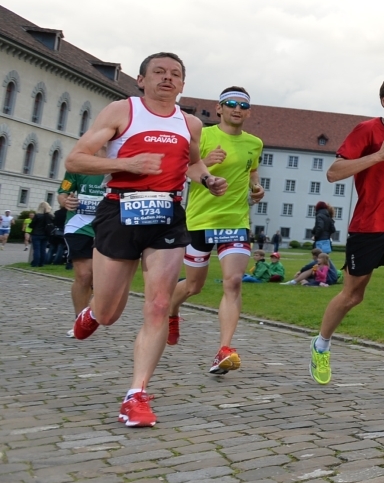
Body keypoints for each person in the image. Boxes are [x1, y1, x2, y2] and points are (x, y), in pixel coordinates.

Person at [65, 52, 227, 428]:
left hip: (166, 216)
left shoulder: (189, 123)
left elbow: (191, 163)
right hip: (119, 211)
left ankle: (135, 395)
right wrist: (127, 165)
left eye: (175, 74)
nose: (167, 79)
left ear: (183, 84)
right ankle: (91, 313)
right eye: (159, 72)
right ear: (141, 79)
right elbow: (76, 159)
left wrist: (207, 179)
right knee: (108, 314)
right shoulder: (122, 111)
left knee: (157, 305)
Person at [308, 74, 384, 396]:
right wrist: (378, 156)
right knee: (352, 296)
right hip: (368, 228)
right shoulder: (367, 131)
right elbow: (333, 173)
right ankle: (321, 345)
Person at [167, 86, 264, 375]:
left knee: (233, 281)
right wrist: (206, 164)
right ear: (219, 108)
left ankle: (224, 349)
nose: (237, 109)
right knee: (194, 286)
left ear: (249, 111)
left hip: (235, 221)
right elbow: (181, 168)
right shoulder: (203, 135)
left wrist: (257, 189)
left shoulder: (254, 143)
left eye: (243, 105)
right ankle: (171, 312)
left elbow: (252, 171)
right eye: (231, 104)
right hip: (200, 221)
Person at [57, 171, 107, 326]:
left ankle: (90, 313)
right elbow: (62, 193)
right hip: (78, 225)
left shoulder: (120, 160)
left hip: (106, 225)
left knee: (97, 277)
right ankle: (80, 321)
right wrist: (65, 201)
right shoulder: (79, 163)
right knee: (84, 275)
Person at [28, 202, 54, 267]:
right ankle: (42, 263)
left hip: (36, 234)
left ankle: (35, 263)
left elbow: (32, 225)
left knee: (36, 249)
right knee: (43, 249)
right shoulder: (50, 216)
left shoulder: (38, 215)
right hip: (45, 234)